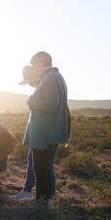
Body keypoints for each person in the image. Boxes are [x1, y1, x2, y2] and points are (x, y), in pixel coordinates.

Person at [14, 64, 72, 201]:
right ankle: (29, 191)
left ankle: (46, 199)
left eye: (28, 80)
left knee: (45, 166)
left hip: (46, 135)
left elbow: (59, 110)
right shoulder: (40, 87)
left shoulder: (47, 84)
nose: (28, 84)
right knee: (33, 161)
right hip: (40, 134)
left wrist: (65, 133)